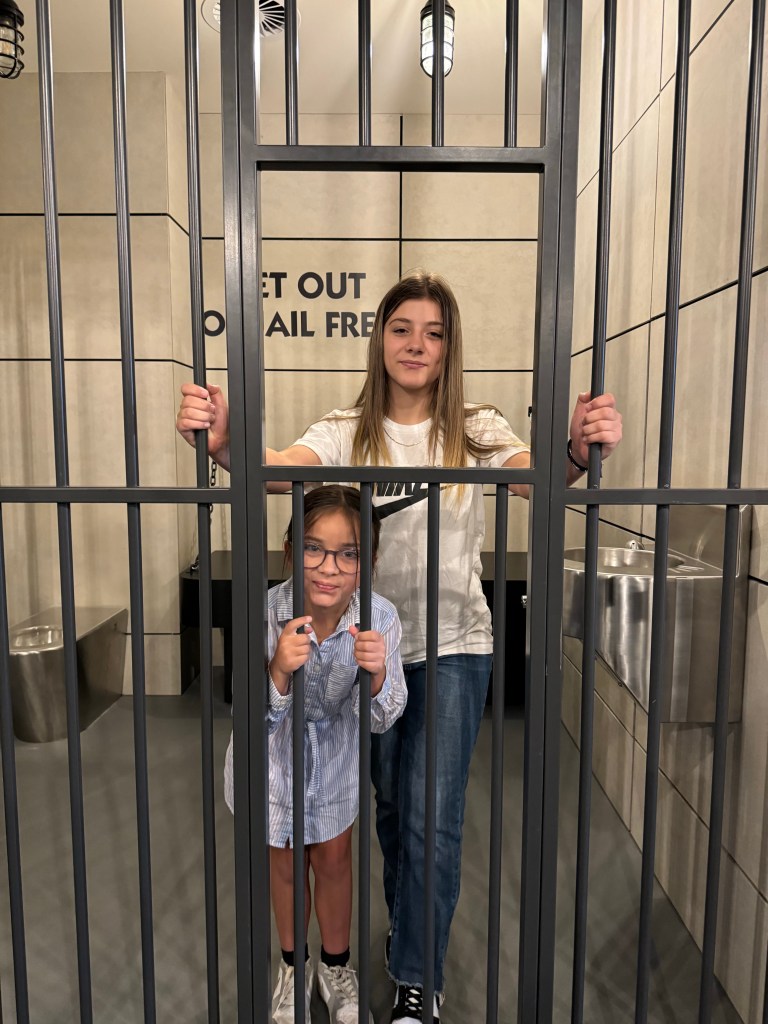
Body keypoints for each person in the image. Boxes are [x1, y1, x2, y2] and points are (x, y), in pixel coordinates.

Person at [177, 269, 623, 1023]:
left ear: (450, 348)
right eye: (402, 329)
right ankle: (403, 941)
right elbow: (280, 469)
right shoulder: (346, 428)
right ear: (380, 340)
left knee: (430, 820)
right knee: (387, 814)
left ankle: (418, 978)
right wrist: (225, 448)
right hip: (366, 648)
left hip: (453, 647)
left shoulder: (475, 427)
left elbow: (537, 477)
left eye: (434, 333)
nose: (417, 344)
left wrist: (576, 452)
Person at [222, 485, 407, 1024]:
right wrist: (278, 670)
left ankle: (336, 966)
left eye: (348, 553)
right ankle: (293, 965)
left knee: (333, 860)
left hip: (336, 765)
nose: (329, 568)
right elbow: (246, 714)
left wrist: (376, 676)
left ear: (369, 561)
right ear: (290, 550)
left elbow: (386, 715)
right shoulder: (266, 612)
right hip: (272, 765)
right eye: (313, 548)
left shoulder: (380, 619)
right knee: (283, 863)